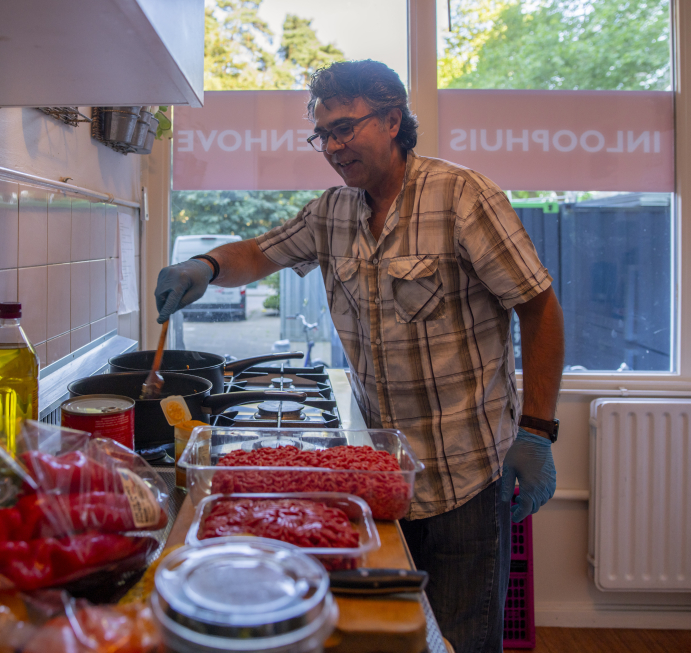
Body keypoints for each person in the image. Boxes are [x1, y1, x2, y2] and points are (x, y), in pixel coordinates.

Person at [154, 60, 563, 653]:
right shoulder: (332, 212)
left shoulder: (461, 196)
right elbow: (260, 252)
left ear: (393, 119)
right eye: (323, 135)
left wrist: (538, 430)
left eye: (345, 128)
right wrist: (207, 266)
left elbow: (539, 307)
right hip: (385, 478)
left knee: (462, 640)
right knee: (396, 639)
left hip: (467, 479)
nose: (332, 147)